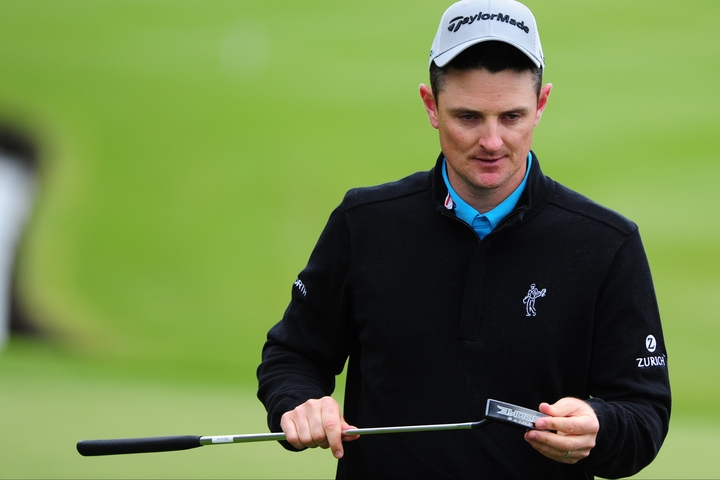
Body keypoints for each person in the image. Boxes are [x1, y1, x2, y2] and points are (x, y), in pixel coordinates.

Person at [257, 0, 671, 478]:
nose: (492, 142)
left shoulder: (607, 243)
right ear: (430, 106)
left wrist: (600, 426)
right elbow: (294, 354)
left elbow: (644, 414)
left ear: (541, 105)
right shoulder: (364, 222)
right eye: (469, 117)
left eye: (511, 117)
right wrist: (300, 403)